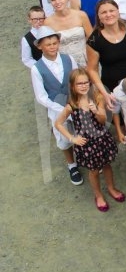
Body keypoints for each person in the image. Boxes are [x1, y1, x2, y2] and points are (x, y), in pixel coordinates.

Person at [54, 68, 122, 212]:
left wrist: (96, 111)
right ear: (73, 86)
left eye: (86, 82)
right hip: (87, 144)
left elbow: (103, 120)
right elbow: (58, 123)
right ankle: (98, 195)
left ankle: (111, 188)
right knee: (94, 171)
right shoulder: (72, 105)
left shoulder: (97, 98)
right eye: (80, 83)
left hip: (101, 140)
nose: (84, 86)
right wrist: (72, 138)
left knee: (107, 165)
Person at [30, 27, 82, 185]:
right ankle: (71, 164)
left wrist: (77, 101)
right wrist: (62, 109)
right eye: (48, 44)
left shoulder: (68, 59)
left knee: (82, 130)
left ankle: (86, 156)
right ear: (40, 46)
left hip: (75, 103)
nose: (52, 47)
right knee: (64, 137)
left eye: (54, 43)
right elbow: (41, 96)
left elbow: (77, 79)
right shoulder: (36, 68)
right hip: (56, 108)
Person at [42, 0, 91, 69]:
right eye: (53, 0)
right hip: (64, 63)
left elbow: (92, 39)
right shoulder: (48, 22)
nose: (57, 2)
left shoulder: (81, 15)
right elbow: (48, 46)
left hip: (85, 59)